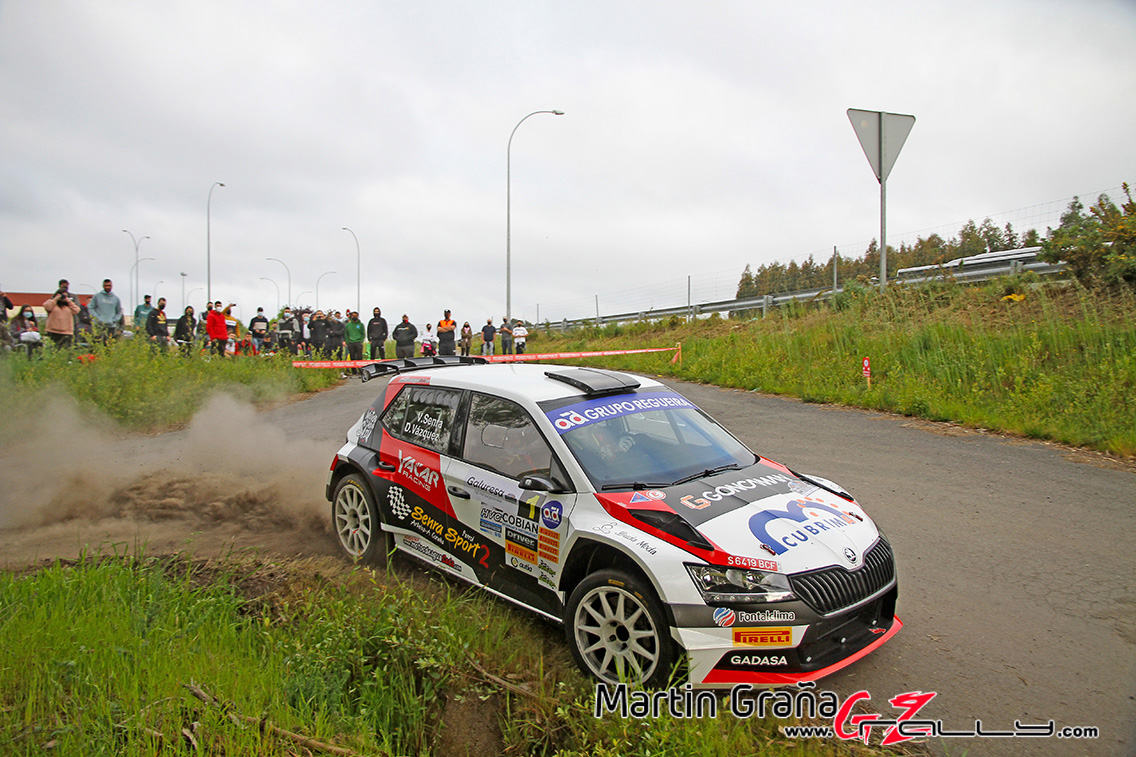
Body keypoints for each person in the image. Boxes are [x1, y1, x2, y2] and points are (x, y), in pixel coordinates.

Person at [43, 280, 80, 348]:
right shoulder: (53, 304)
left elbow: (77, 310)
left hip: (66, 331)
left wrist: (68, 300)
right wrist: (56, 298)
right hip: (53, 331)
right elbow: (47, 306)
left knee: (66, 349)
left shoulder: (69, 306)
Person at [0, 285, 13, 351]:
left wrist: (5, 298)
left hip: (3, 320)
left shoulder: (3, 298)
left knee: (5, 335)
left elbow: (11, 307)